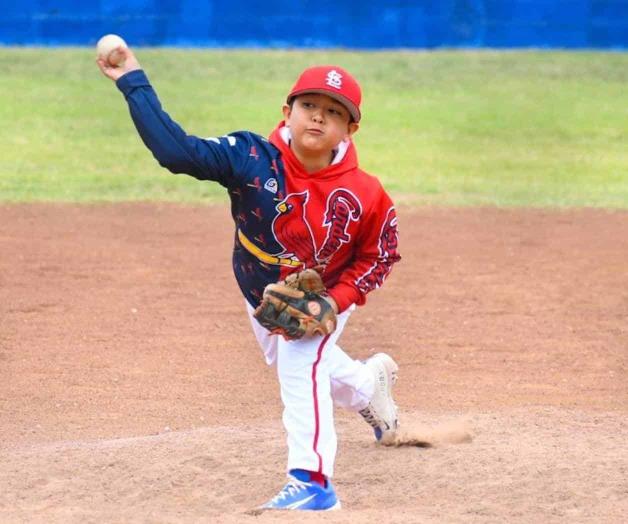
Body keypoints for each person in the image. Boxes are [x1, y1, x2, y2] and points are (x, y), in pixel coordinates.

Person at [97, 46, 401, 511]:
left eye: (334, 113)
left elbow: (380, 255)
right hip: (258, 289)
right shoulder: (251, 157)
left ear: (350, 128)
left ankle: (313, 482)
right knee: (298, 361)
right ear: (288, 111)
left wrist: (335, 302)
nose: (318, 119)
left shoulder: (366, 192)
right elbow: (177, 152)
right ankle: (366, 385)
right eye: (309, 106)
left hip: (326, 293)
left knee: (301, 363)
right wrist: (132, 81)